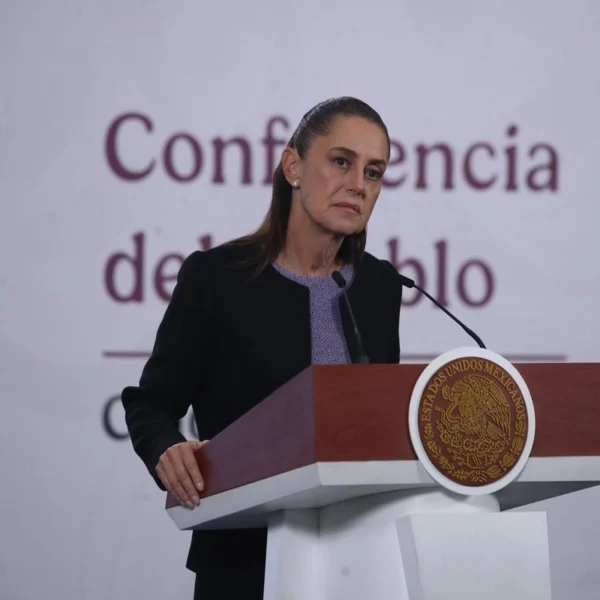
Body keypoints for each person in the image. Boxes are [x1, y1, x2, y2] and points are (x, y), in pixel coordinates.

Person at [121, 96, 404, 599]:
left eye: (374, 172)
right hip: (244, 561)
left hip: (358, 563)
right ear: (292, 166)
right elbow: (151, 403)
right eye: (341, 161)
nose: (359, 184)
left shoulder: (379, 287)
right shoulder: (217, 279)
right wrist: (166, 448)